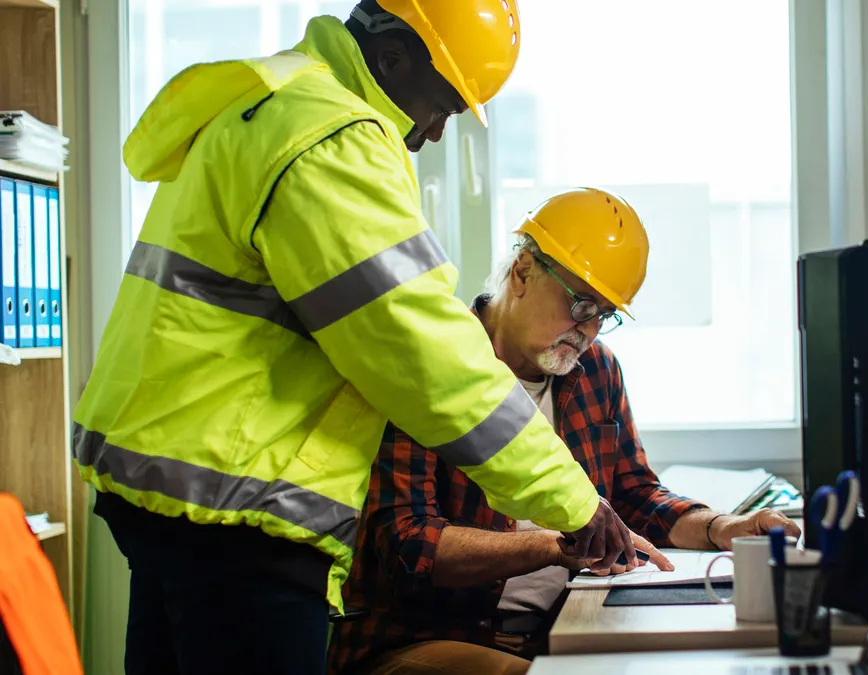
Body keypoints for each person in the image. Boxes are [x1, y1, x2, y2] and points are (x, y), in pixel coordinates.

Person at [70, 3, 634, 674]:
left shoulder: (279, 103)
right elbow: (425, 354)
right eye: (443, 107)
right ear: (393, 56)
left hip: (177, 500)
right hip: (240, 515)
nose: (430, 134)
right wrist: (573, 503)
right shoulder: (330, 136)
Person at [327, 188, 803, 675]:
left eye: (605, 315)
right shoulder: (430, 366)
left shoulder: (595, 369)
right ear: (523, 272)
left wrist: (722, 528)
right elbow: (407, 548)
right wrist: (562, 543)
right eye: (581, 306)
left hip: (562, 630)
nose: (589, 331)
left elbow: (634, 495)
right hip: (424, 636)